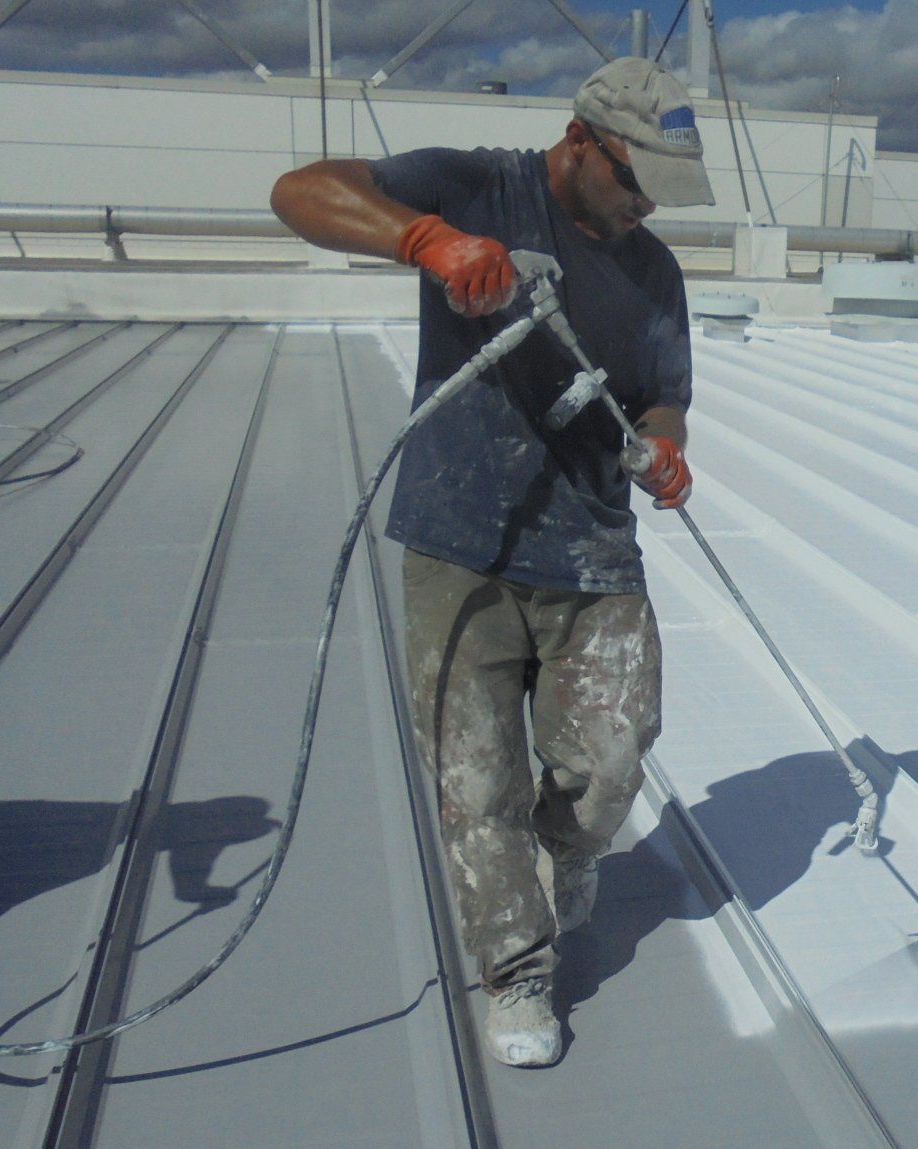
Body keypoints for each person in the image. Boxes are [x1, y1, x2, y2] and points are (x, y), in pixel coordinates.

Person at [270, 58, 712, 1067]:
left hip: (591, 548)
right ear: (578, 141)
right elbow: (299, 193)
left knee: (610, 758)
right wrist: (422, 237)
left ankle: (566, 859)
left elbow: (662, 396)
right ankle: (516, 974)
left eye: (662, 190)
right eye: (634, 180)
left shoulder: (654, 272)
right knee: (477, 781)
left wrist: (667, 448)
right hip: (460, 542)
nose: (647, 206)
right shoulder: (478, 187)